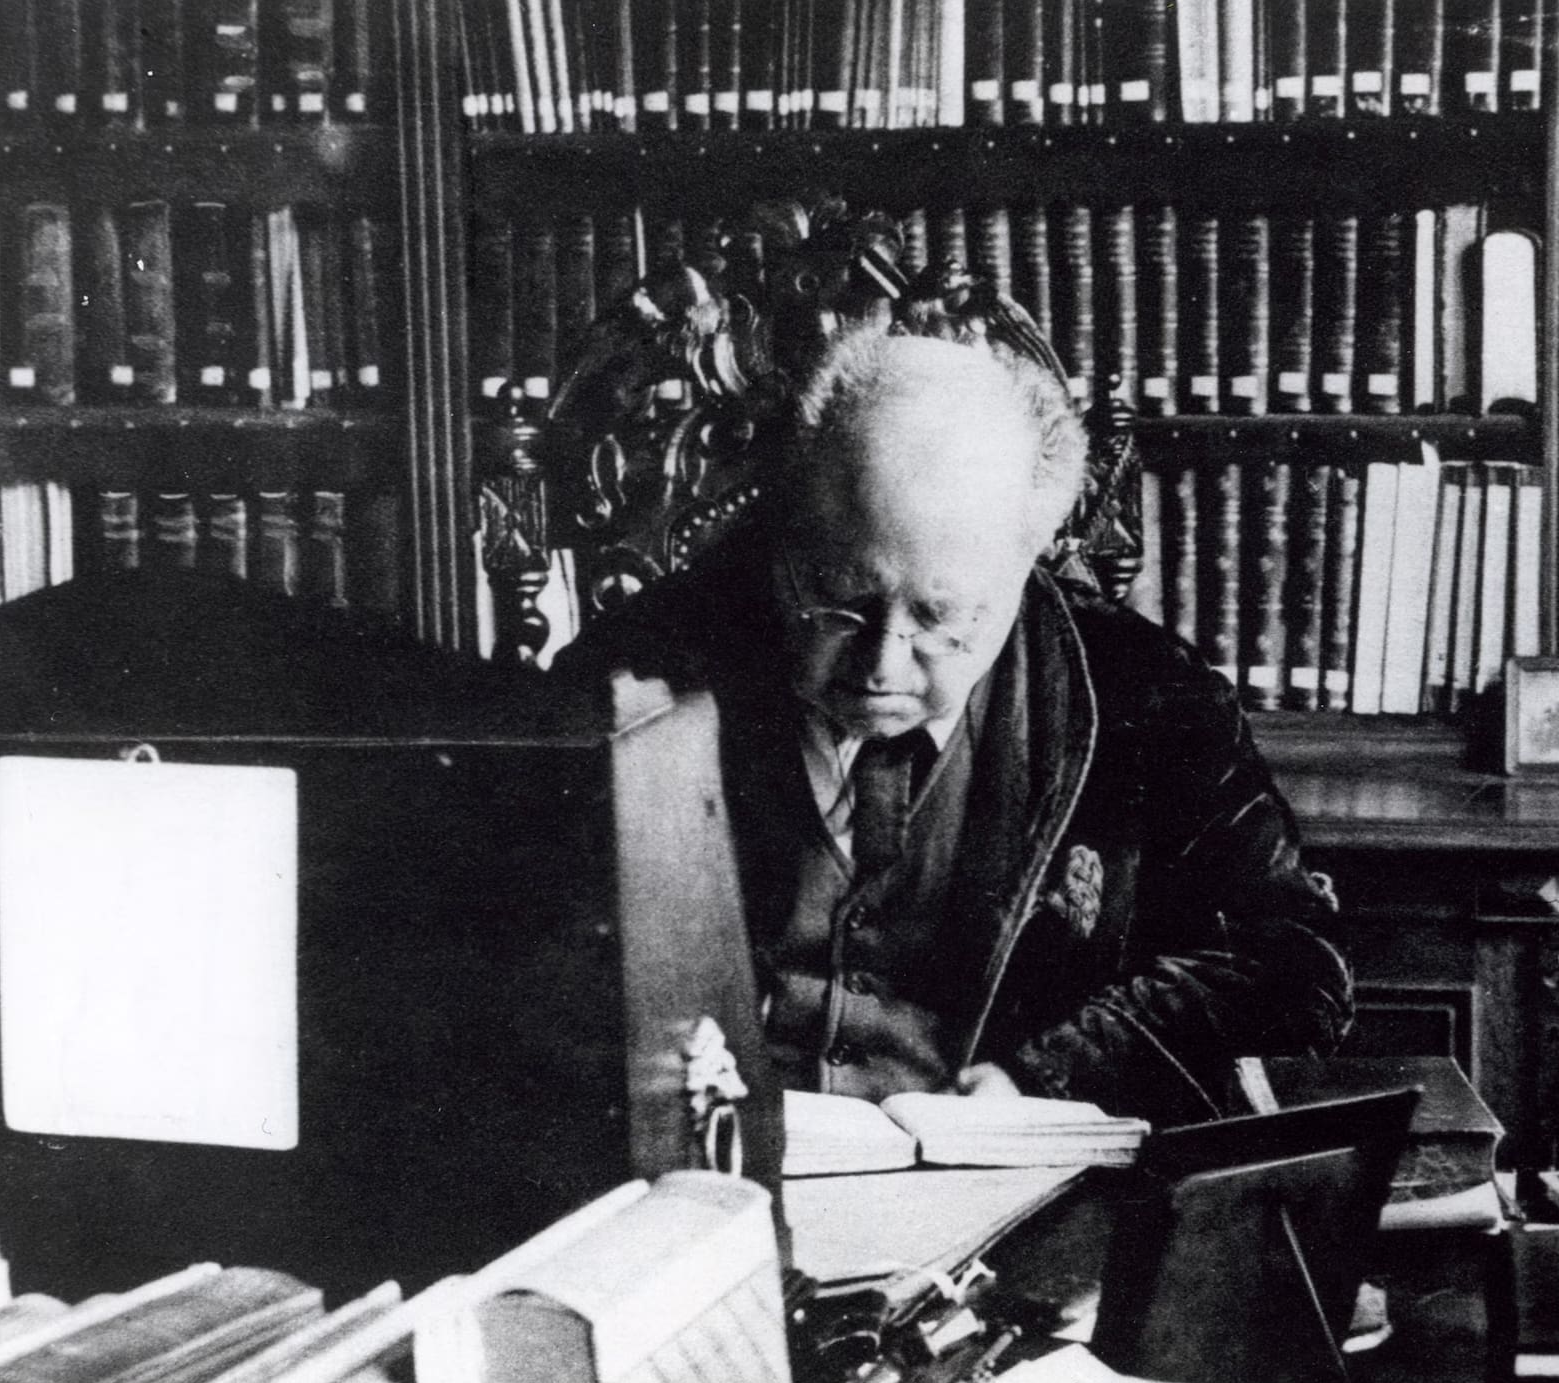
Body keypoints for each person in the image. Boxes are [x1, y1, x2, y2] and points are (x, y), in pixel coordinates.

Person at [560, 324, 1352, 1125]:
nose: (882, 665)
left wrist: (1045, 1076)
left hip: (1003, 1168)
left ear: (1027, 564)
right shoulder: (638, 668)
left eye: (941, 618)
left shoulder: (1148, 694)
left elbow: (1295, 965)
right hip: (717, 1166)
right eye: (841, 597)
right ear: (786, 533)